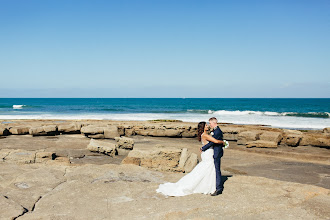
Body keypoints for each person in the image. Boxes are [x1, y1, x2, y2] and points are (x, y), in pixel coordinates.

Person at [156, 121, 223, 196]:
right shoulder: (205, 135)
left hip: (207, 153)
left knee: (207, 168)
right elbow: (216, 141)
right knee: (207, 167)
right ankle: (204, 185)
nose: (208, 126)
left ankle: (208, 185)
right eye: (206, 125)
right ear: (203, 127)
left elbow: (210, 143)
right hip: (208, 154)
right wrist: (223, 142)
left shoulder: (205, 135)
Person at [200, 117, 224, 196]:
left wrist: (203, 148)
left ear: (214, 123)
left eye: (210, 123)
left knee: (216, 170)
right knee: (213, 169)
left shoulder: (217, 132)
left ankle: (218, 188)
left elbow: (212, 143)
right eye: (208, 124)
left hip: (216, 153)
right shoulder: (213, 131)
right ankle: (214, 186)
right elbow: (213, 142)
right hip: (211, 152)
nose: (209, 125)